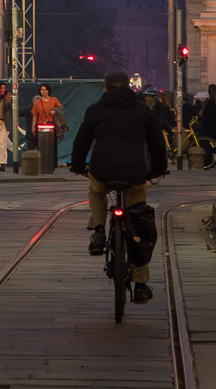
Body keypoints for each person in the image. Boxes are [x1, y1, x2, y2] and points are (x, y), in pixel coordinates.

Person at [69, 69, 168, 305]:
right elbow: (156, 144)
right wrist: (158, 169)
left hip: (102, 170)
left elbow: (81, 141)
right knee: (140, 229)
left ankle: (99, 231)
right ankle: (141, 285)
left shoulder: (95, 110)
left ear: (105, 89)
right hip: (134, 173)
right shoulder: (143, 110)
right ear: (129, 88)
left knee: (96, 190)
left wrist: (77, 166)